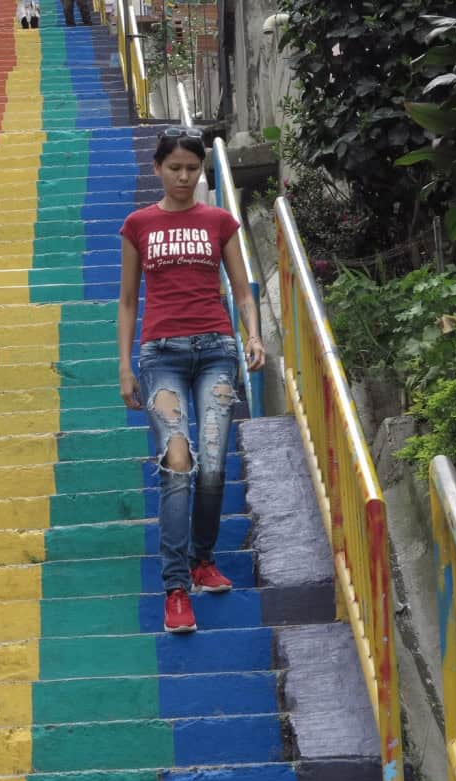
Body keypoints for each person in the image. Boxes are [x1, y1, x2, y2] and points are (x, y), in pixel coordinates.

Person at [117, 126, 266, 634]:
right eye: (175, 168)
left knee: (212, 465)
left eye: (193, 168)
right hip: (161, 356)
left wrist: (254, 335)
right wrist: (124, 365)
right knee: (178, 461)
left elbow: (242, 289)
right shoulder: (138, 224)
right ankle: (176, 587)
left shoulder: (219, 221)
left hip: (217, 352)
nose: (184, 177)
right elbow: (127, 301)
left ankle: (204, 560)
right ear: (158, 168)